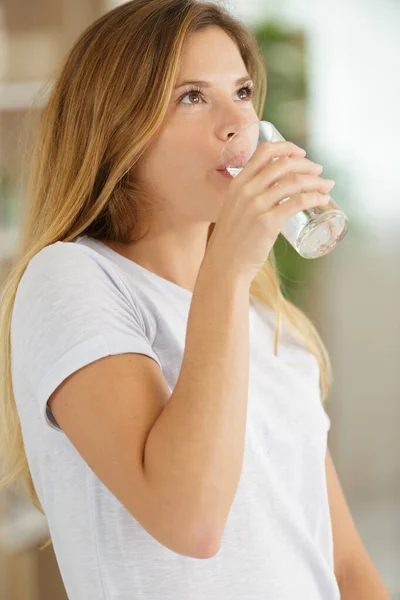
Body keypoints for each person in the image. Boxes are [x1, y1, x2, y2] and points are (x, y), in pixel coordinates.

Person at [0, 1, 390, 599]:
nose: (237, 123)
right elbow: (191, 521)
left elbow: (344, 568)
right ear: (116, 129)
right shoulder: (70, 277)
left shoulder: (264, 319)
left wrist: (233, 279)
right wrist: (229, 271)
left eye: (241, 91)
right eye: (191, 96)